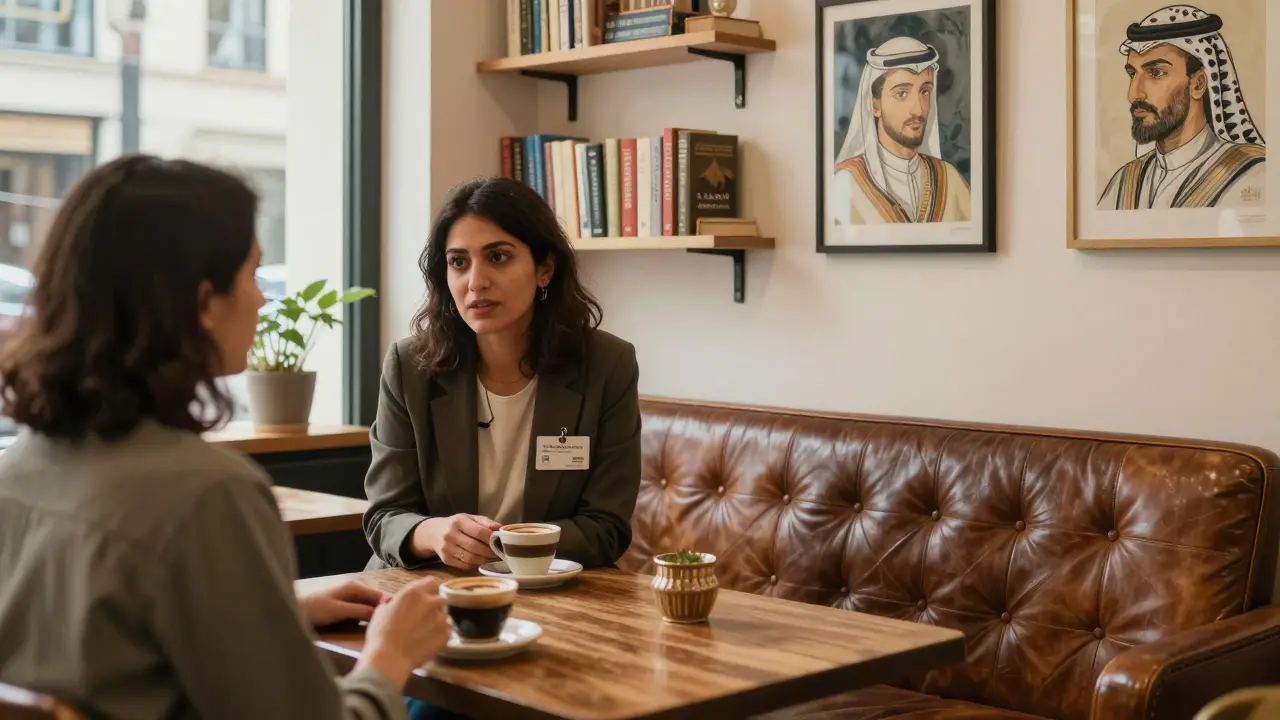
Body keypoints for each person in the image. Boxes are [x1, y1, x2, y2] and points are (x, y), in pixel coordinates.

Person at [0, 154, 450, 720]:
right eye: (253, 273)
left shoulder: (18, 468)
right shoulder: (207, 494)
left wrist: (267, 611)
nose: (263, 299)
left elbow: (101, 646)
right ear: (202, 301)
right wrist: (391, 655)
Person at [362, 176, 642, 575]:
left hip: (552, 584)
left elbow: (607, 528)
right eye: (459, 262)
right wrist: (434, 532)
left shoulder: (607, 365)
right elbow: (384, 517)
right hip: (429, 582)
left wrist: (500, 545)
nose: (476, 281)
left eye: (498, 257)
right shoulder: (410, 366)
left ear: (545, 269)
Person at [1097, 5, 1266, 210]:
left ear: (1198, 84)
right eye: (1133, 74)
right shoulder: (1123, 183)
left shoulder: (1252, 176)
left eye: (1156, 73)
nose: (1134, 94)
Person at [833, 36, 972, 225]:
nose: (918, 109)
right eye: (902, 93)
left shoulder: (948, 177)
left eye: (925, 91)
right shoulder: (845, 182)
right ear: (875, 105)